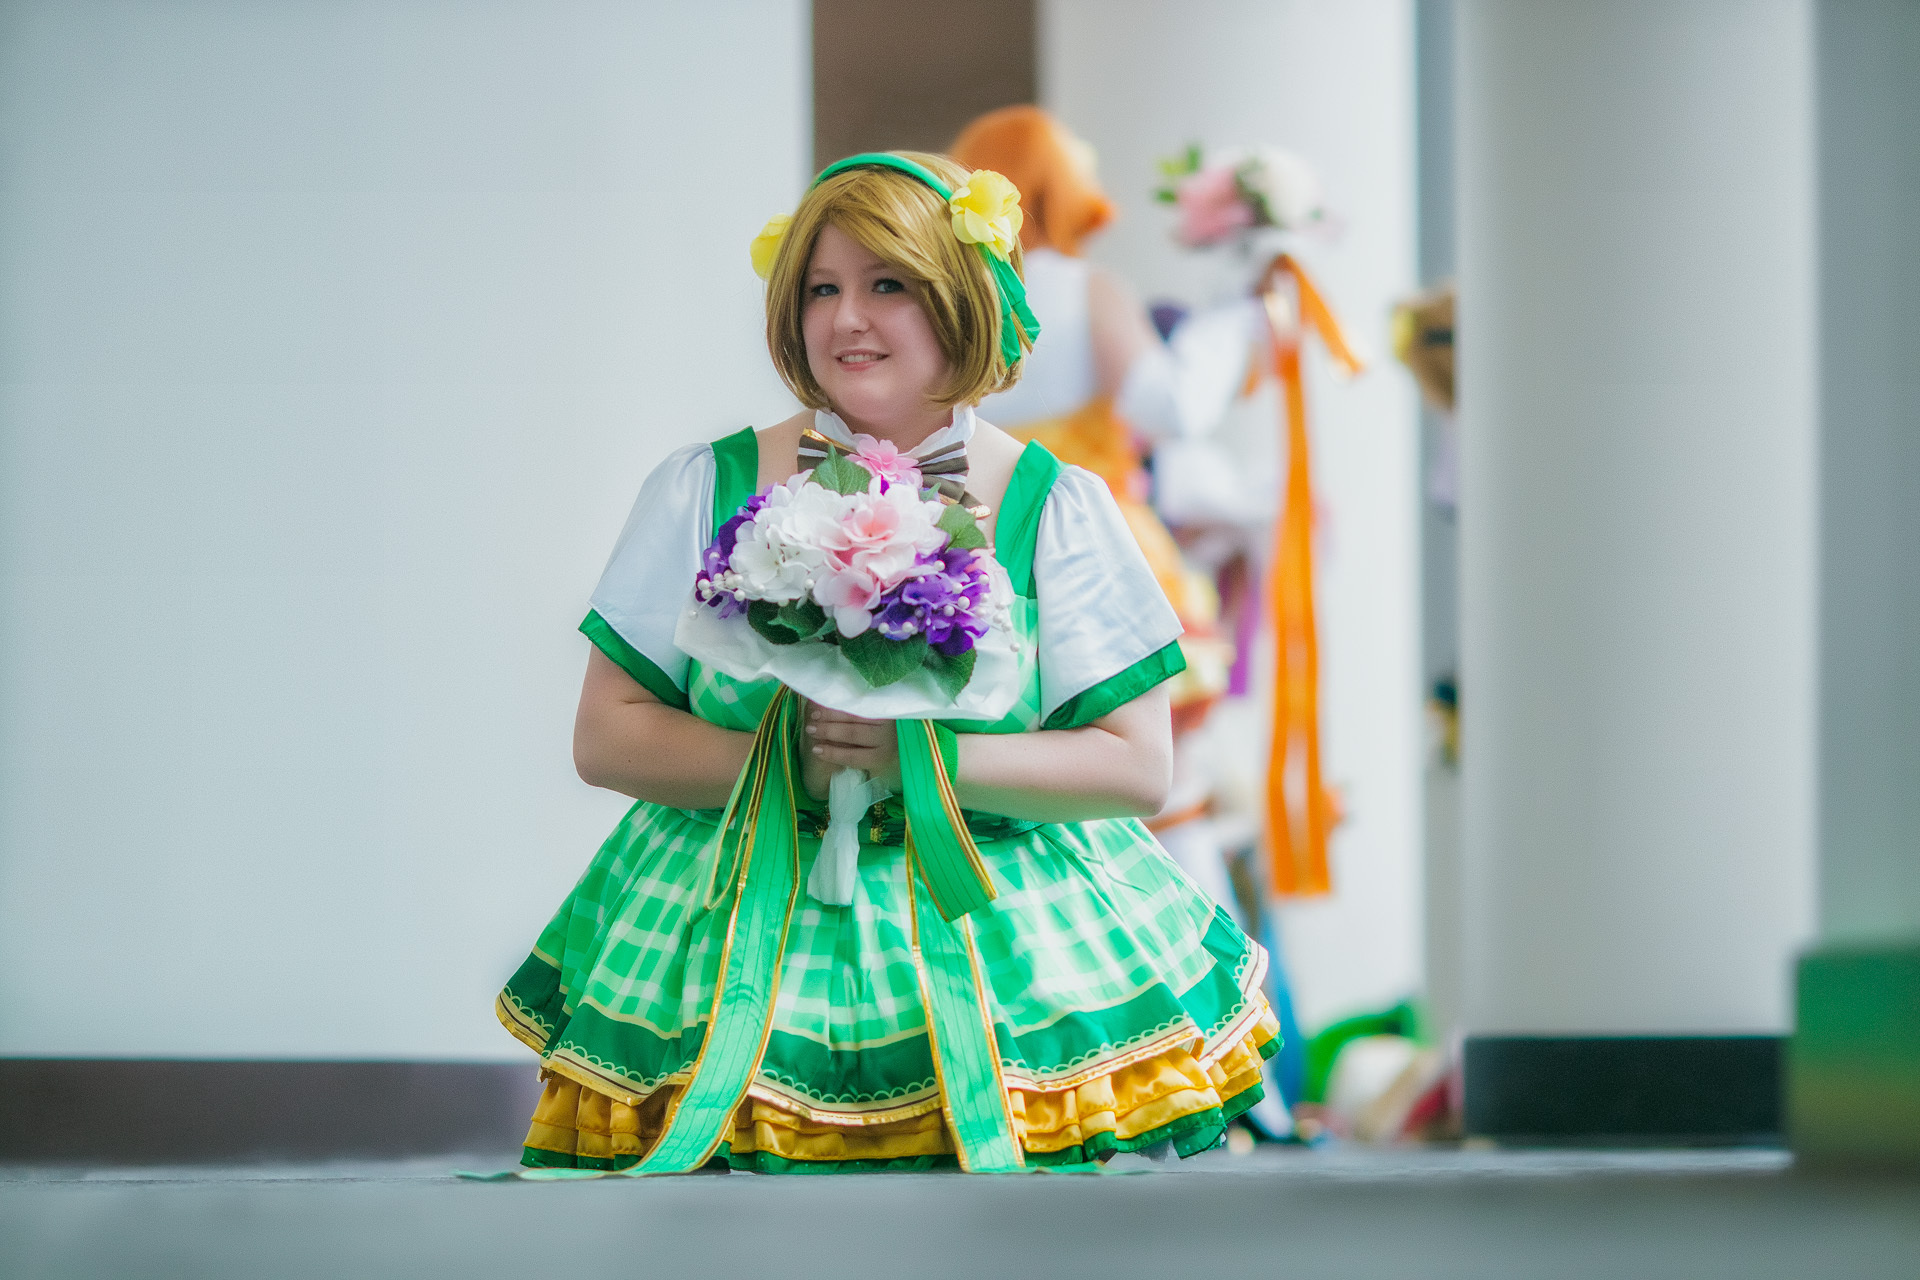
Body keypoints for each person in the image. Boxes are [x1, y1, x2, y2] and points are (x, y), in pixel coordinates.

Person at [493, 151, 1279, 1173]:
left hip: (1004, 938)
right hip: (730, 924)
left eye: (887, 284)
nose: (847, 319)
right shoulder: (704, 485)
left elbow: (1136, 765)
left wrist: (923, 762)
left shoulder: (1056, 506)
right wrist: (795, 764)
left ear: (964, 295)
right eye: (821, 289)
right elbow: (607, 736)